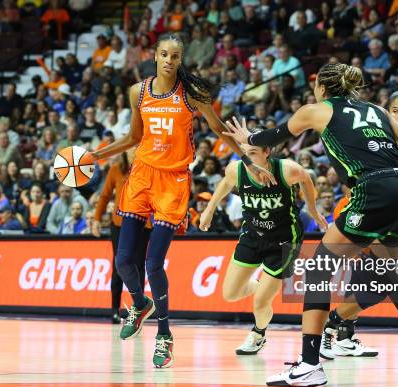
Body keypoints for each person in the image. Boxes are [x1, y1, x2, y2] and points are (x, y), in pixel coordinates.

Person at [223, 63, 398, 386]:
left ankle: (309, 363)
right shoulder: (375, 110)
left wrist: (249, 138)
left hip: (375, 191)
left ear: (320, 86)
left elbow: (277, 135)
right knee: (385, 271)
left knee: (318, 269)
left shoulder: (317, 110)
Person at [91, 33, 274, 368]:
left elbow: (219, 130)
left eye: (175, 56)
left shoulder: (191, 94)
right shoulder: (139, 91)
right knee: (122, 261)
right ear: (155, 56)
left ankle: (164, 334)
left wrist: (249, 162)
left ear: (180, 59)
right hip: (141, 176)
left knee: (153, 263)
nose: (169, 61)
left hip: (173, 182)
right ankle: (139, 303)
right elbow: (134, 137)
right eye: (164, 55)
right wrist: (96, 155)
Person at [315, 90, 398, 371]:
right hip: (364, 211)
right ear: (385, 113)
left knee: (377, 285)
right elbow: (349, 175)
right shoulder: (374, 134)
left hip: (389, 211)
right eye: (395, 111)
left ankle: (338, 329)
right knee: (384, 279)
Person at [199, 141, 327, 355]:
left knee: (260, 302)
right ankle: (264, 286)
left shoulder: (286, 169)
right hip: (252, 235)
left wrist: (312, 210)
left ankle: (258, 334)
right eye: (244, 154)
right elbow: (225, 183)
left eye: (253, 153)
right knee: (230, 294)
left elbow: (306, 177)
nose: (247, 159)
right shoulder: (236, 169)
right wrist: (209, 210)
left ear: (267, 152)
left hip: (284, 239)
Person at [92, 152, 152, 324]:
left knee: (139, 266)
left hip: (143, 223)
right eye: (130, 145)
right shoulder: (116, 170)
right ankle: (114, 310)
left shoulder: (150, 169)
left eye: (137, 145)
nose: (134, 149)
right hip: (119, 223)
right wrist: (96, 219)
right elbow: (104, 196)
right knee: (119, 265)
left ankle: (138, 310)